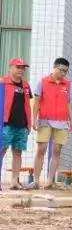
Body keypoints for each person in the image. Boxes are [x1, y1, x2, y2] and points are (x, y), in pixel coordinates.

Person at [31, 58, 72, 189]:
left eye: (65, 71)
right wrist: (34, 119)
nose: (63, 73)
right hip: (45, 119)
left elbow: (69, 104)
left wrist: (71, 120)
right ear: (54, 67)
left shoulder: (68, 84)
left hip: (62, 122)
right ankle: (36, 180)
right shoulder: (43, 82)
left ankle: (50, 180)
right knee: (41, 149)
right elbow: (37, 102)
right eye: (61, 70)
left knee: (57, 151)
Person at [0, 57, 33, 190]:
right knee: (2, 150)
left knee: (18, 152)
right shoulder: (2, 82)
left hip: (21, 125)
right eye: (18, 67)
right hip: (5, 124)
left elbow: (28, 106)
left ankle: (14, 181)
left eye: (23, 68)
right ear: (11, 67)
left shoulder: (26, 85)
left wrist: (29, 124)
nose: (21, 70)